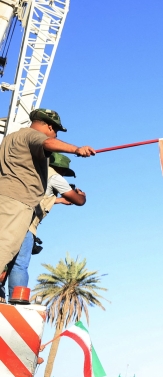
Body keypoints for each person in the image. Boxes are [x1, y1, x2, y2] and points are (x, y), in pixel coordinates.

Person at [0, 108, 94, 276]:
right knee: (5, 248)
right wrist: (77, 149)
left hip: (5, 197)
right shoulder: (33, 135)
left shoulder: (10, 138)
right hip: (17, 201)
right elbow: (47, 143)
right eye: (56, 131)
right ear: (50, 127)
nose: (56, 135)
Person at [1, 152, 87, 302]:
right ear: (61, 169)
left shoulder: (33, 173)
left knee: (4, 258)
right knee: (19, 264)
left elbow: (37, 197)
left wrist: (59, 201)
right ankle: (17, 300)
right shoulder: (55, 176)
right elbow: (78, 200)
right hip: (25, 224)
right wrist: (81, 196)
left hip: (7, 217)